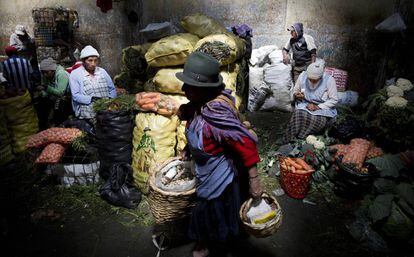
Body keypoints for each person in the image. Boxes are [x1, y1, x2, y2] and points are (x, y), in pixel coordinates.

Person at [175, 52, 263, 257]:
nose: (183, 89)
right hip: (206, 169)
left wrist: (255, 180)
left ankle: (218, 243)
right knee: (208, 206)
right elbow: (198, 129)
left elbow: (246, 144)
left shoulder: (216, 112)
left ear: (204, 89)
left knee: (215, 206)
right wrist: (188, 149)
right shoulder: (199, 106)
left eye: (189, 86)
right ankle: (211, 240)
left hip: (221, 174)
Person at [284, 60, 338, 142]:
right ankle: (290, 138)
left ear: (321, 77)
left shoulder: (329, 80)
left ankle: (303, 138)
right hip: (306, 104)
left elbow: (334, 100)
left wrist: (318, 107)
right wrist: (297, 95)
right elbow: (295, 90)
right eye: (310, 79)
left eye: (315, 80)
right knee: (298, 114)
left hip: (322, 108)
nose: (312, 82)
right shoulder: (303, 76)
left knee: (320, 121)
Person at [69, 45, 116, 120]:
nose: (93, 63)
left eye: (95, 60)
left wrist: (110, 101)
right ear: (83, 61)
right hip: (87, 111)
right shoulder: (75, 74)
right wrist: (91, 99)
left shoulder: (102, 71)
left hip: (106, 109)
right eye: (90, 60)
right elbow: (75, 96)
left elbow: (112, 89)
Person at [37, 58, 72, 128]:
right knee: (41, 103)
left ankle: (60, 124)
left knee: (59, 106)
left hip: (68, 97)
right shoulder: (46, 76)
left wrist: (46, 88)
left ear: (53, 70)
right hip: (56, 96)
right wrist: (42, 93)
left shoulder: (61, 74)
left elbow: (60, 93)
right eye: (43, 72)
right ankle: (44, 125)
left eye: (46, 72)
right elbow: (46, 91)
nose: (45, 75)